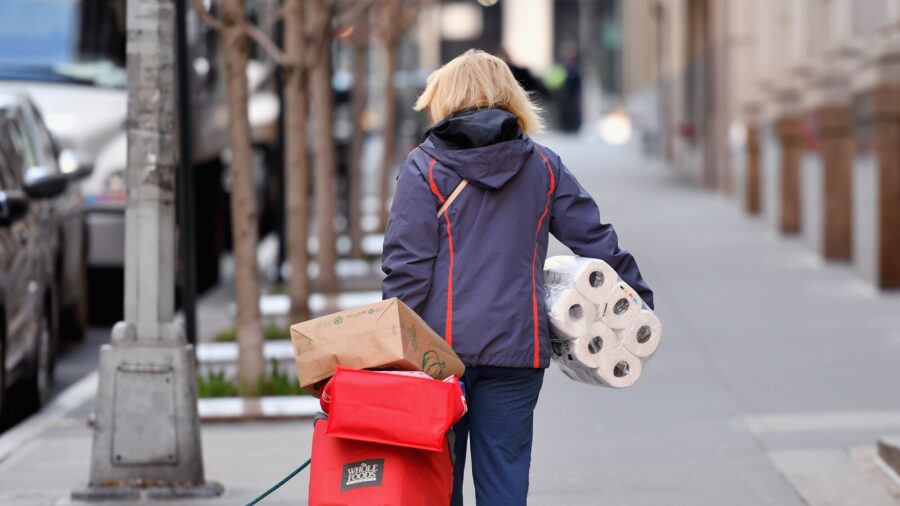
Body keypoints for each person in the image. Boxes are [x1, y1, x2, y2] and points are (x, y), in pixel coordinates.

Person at [381, 49, 653, 506]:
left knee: (433, 487)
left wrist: (390, 350)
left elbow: (406, 268)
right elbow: (595, 240)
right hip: (516, 353)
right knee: (505, 486)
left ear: (444, 98)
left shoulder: (424, 167)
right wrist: (638, 303)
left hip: (436, 359)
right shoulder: (543, 166)